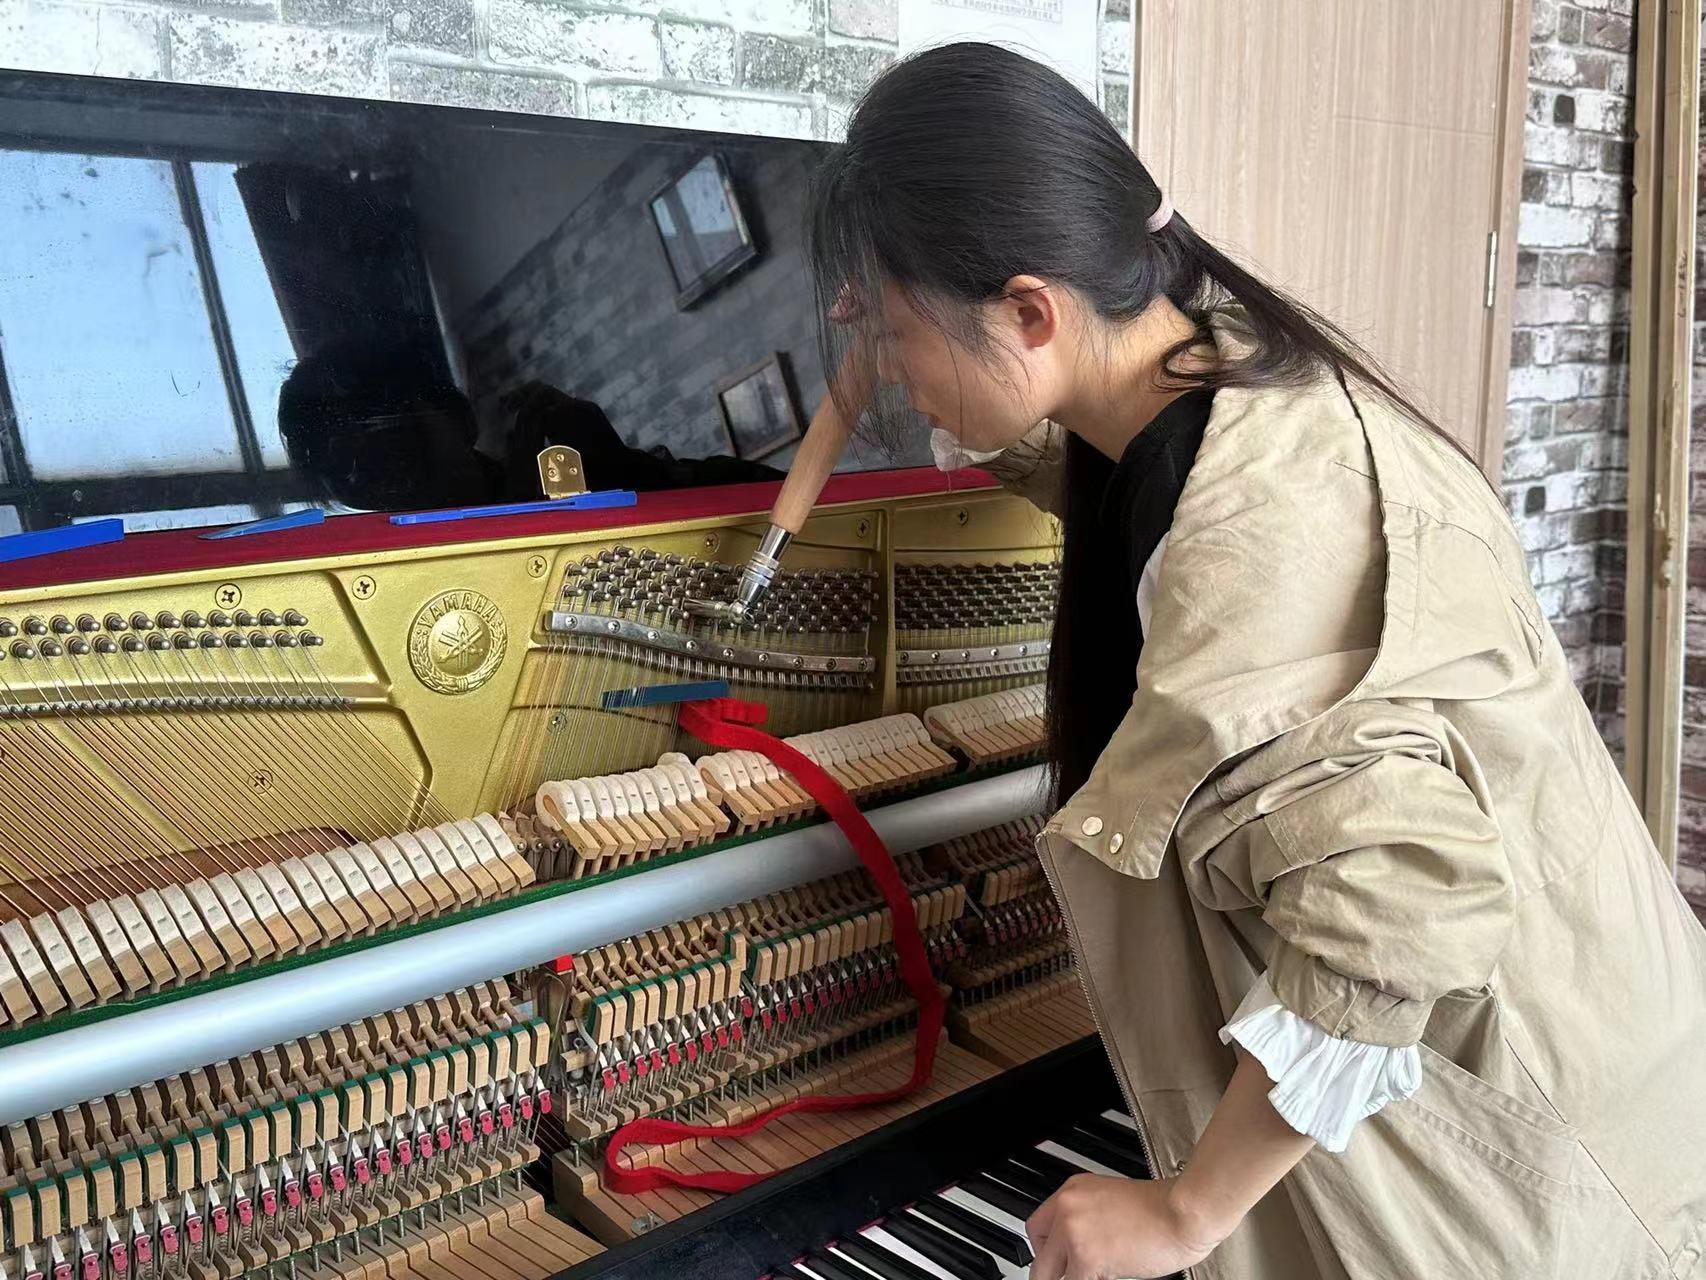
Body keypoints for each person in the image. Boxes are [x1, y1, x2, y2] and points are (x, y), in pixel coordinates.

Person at [805, 43, 1706, 1280]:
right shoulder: (1216, 365)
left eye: (898, 332)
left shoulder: (1258, 543)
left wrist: (1184, 1209)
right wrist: (908, 319)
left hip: (1528, 1169)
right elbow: (1080, 443)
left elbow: (1400, 915)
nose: (889, 369)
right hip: (1598, 1041)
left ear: (1030, 311)